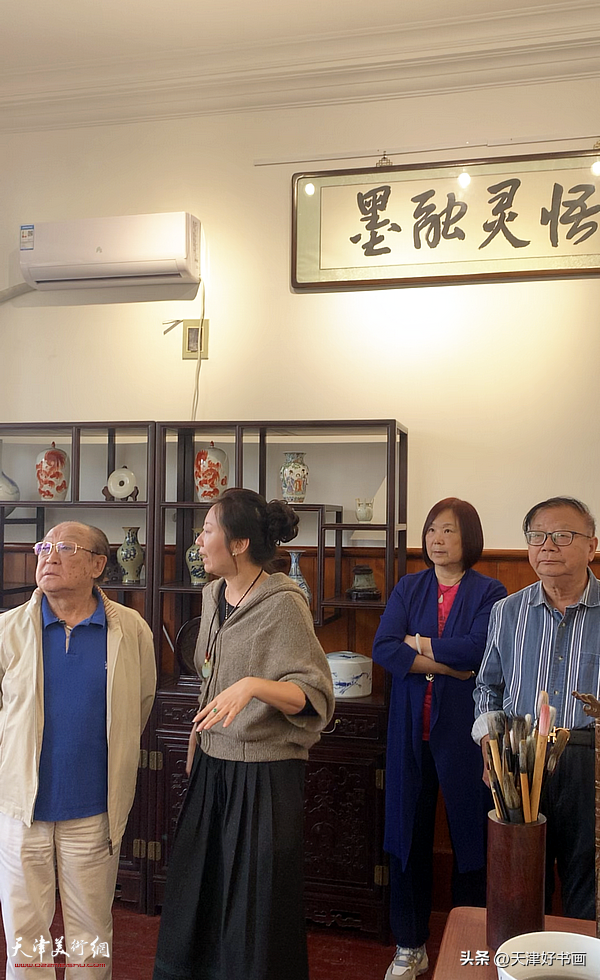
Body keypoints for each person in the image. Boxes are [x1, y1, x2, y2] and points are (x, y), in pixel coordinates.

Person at [152, 488, 334, 980]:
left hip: (265, 773)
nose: (198, 540)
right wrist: (199, 737)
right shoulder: (213, 595)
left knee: (254, 900)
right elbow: (210, 672)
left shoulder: (284, 604)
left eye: (208, 530)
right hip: (212, 763)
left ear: (238, 544)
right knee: (201, 886)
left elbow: (313, 694)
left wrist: (254, 685)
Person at [0, 521, 156, 980]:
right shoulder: (8, 630)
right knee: (25, 931)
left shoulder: (130, 629)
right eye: (44, 546)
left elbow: (140, 703)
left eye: (66, 547)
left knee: (90, 931)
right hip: (21, 808)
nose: (49, 555)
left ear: (97, 565)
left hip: (93, 808)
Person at [373, 498, 506, 980]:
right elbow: (384, 647)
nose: (436, 539)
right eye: (431, 530)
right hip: (410, 730)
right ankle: (410, 945)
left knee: (471, 838)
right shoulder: (409, 586)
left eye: (448, 530)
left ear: (468, 537)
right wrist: (448, 667)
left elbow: (479, 649)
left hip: (465, 736)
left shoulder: (491, 591)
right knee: (407, 834)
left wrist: (419, 643)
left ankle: (469, 945)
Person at [473, 495, 599, 921]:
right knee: (521, 880)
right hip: (520, 757)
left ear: (591, 546)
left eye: (562, 535)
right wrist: (490, 745)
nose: (547, 545)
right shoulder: (507, 611)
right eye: (537, 536)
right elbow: (487, 687)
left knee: (591, 883)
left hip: (591, 758)